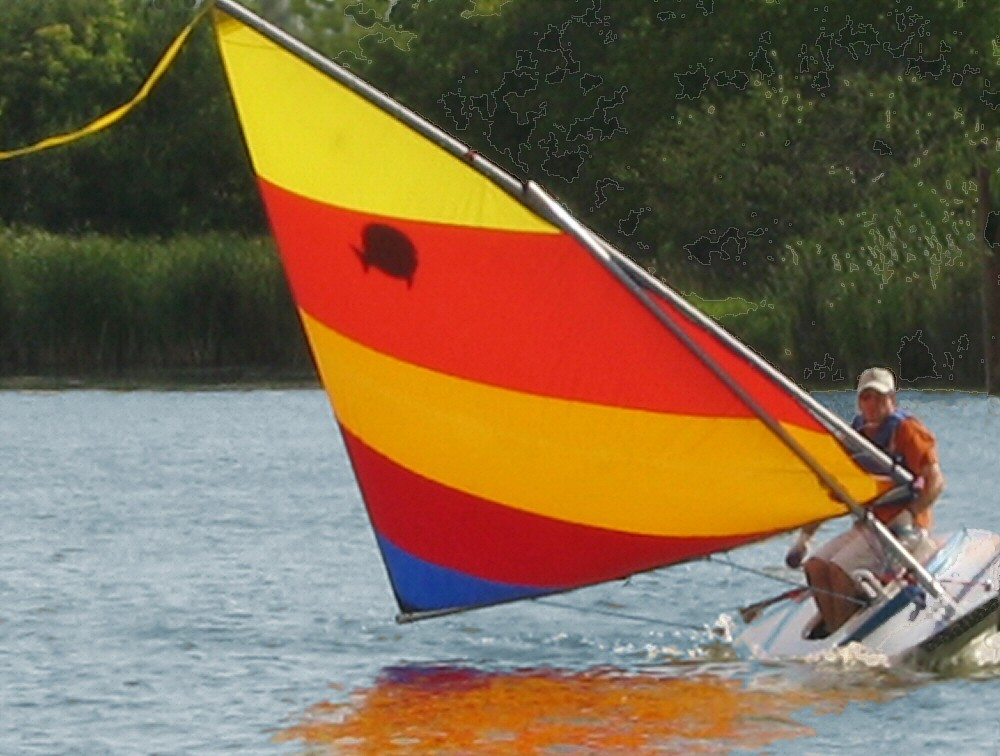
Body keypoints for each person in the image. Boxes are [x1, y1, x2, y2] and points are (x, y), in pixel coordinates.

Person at [785, 367, 945, 634]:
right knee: (815, 566)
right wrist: (803, 541)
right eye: (867, 398)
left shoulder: (907, 431)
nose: (873, 405)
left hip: (902, 529)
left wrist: (910, 515)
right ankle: (837, 633)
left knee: (839, 570)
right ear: (859, 402)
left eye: (880, 398)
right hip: (869, 526)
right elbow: (831, 489)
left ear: (892, 399)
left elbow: (936, 482)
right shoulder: (853, 437)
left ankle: (852, 636)